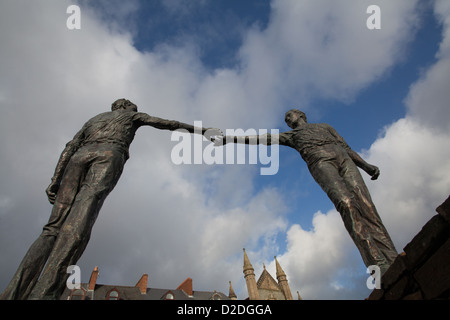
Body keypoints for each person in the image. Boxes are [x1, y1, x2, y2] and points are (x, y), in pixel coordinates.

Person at [1, 99, 222, 300]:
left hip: (78, 159)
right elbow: (169, 124)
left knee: (51, 229)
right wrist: (203, 131)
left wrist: (55, 178)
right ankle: (45, 293)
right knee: (77, 229)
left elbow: (70, 147)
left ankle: (14, 293)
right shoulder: (131, 116)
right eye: (133, 107)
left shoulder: (93, 120)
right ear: (125, 107)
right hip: (108, 156)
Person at [214, 109, 398, 273]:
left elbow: (346, 148)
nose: (287, 119)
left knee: (367, 206)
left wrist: (366, 166)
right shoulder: (292, 136)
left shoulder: (325, 127)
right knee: (347, 204)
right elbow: (263, 139)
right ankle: (378, 263)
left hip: (344, 160)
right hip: (321, 163)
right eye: (286, 119)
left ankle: (393, 258)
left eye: (289, 115)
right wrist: (229, 139)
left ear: (301, 115)